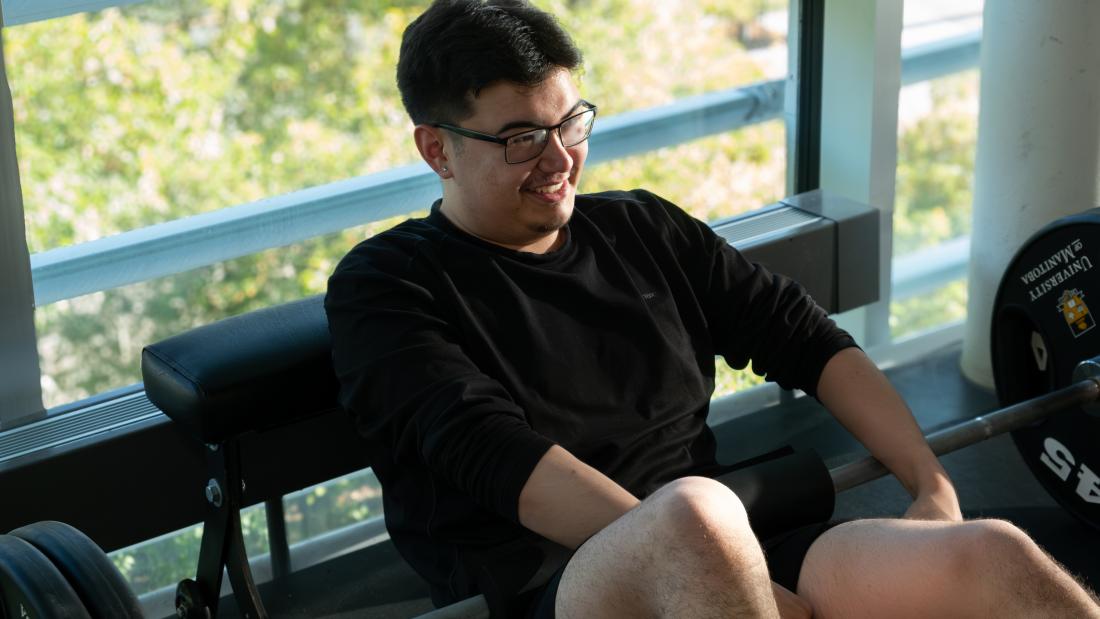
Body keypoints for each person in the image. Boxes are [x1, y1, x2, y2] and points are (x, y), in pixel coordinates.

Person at [325, 1, 1100, 617]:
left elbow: (802, 336)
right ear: (436, 149)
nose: (560, 160)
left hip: (739, 543)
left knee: (994, 554)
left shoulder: (637, 225)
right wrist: (721, 564)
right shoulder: (385, 287)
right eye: (522, 138)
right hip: (560, 583)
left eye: (569, 122)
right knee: (693, 513)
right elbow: (498, 457)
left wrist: (930, 482)